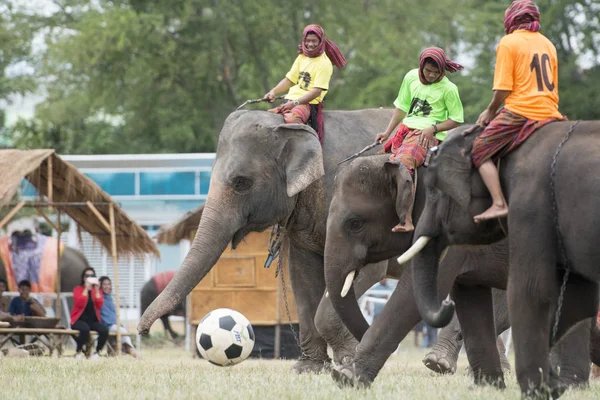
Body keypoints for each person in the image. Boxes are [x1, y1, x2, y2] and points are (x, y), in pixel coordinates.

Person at [468, 0, 565, 223]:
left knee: (479, 149)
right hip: (550, 112)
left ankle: (499, 203)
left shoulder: (509, 42)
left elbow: (503, 89)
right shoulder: (548, 44)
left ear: (511, 19)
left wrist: (490, 110)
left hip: (521, 111)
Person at [376, 47, 464, 232]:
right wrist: (387, 133)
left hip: (426, 135)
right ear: (421, 66)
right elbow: (401, 108)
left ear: (442, 70)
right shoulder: (410, 77)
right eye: (428, 71)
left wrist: (433, 128)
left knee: (403, 163)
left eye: (436, 72)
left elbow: (456, 119)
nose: (431, 75)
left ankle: (406, 219)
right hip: (405, 131)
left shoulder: (449, 89)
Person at [264, 24, 346, 143]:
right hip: (290, 101)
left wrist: (295, 103)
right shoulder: (302, 57)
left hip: (307, 104)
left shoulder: (324, 63)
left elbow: (316, 91)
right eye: (307, 41)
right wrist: (273, 92)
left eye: (314, 41)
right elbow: (289, 80)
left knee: (292, 122)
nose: (310, 44)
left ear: (321, 42)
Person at [70, 267, 108, 359]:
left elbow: (100, 304)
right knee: (84, 329)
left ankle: (97, 352)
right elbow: (79, 303)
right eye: (87, 276)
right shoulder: (78, 289)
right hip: (78, 320)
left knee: (104, 330)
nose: (90, 277)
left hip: (92, 320)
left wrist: (96, 289)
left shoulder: (97, 290)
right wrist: (86, 289)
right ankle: (78, 352)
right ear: (83, 278)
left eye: (92, 276)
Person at [99, 276, 138, 358]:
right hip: (106, 325)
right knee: (121, 330)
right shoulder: (99, 298)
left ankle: (116, 350)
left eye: (109, 284)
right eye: (104, 284)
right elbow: (104, 316)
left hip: (114, 325)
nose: (107, 286)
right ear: (100, 286)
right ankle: (130, 349)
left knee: (121, 329)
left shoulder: (109, 298)